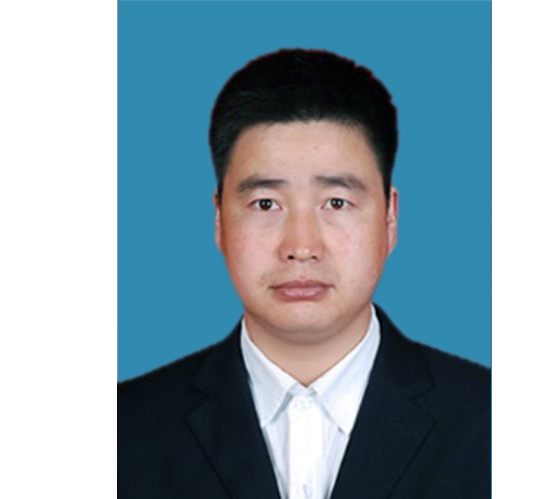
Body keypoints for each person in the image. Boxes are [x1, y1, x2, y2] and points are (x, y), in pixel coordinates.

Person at [118, 49, 490, 499]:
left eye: (336, 202)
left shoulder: (494, 423)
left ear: (390, 218)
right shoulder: (123, 432)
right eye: (265, 204)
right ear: (219, 219)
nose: (301, 247)